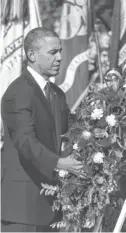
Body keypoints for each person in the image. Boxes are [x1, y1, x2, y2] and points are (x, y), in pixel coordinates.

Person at [1, 28, 83, 232]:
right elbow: (25, 141)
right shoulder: (18, 92)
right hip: (23, 206)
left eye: (61, 51)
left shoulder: (56, 93)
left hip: (52, 205)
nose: (60, 58)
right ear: (31, 55)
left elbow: (69, 129)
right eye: (52, 52)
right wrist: (59, 162)